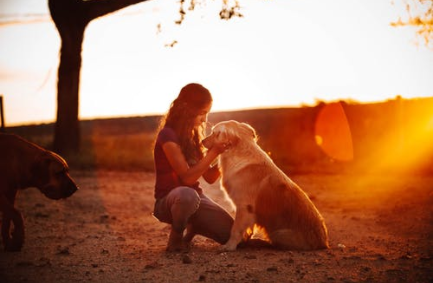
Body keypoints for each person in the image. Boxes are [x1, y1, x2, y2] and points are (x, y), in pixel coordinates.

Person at [152, 83, 234, 252]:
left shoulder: (193, 137)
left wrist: (225, 153)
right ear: (187, 110)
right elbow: (187, 178)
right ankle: (176, 237)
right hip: (170, 201)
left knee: (234, 236)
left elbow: (210, 177)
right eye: (203, 113)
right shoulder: (167, 135)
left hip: (196, 200)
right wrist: (214, 152)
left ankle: (194, 225)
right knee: (187, 194)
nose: (205, 120)